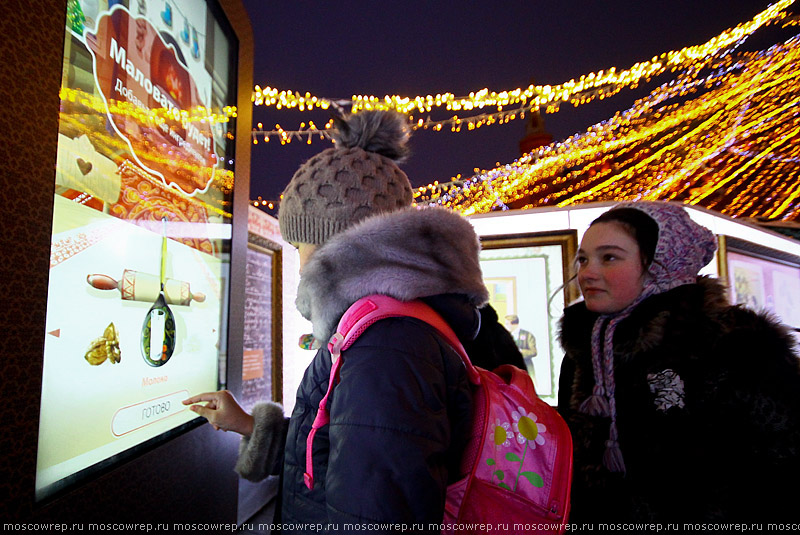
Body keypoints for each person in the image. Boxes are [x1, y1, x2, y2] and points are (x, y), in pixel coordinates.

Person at [184, 110, 496, 531]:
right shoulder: (380, 331)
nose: (297, 266)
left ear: (339, 247)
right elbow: (341, 455)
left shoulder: (387, 347)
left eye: (300, 244)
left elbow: (374, 515)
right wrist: (249, 426)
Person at [557, 201, 800, 522]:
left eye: (610, 257)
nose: (587, 273)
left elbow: (785, 464)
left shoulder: (737, 345)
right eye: (583, 259)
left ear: (662, 264)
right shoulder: (584, 353)